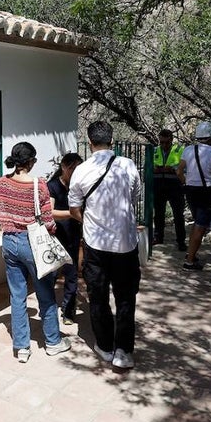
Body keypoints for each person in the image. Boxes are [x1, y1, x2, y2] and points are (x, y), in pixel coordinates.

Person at [0, 142, 70, 363]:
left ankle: (21, 348)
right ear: (30, 162)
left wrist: (5, 219)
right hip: (33, 244)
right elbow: (49, 223)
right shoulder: (38, 185)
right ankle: (52, 342)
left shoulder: (1, 183)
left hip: (9, 242)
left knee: (17, 296)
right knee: (46, 294)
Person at [68, 121, 143, 370]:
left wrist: (92, 221)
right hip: (125, 244)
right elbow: (134, 199)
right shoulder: (128, 165)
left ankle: (104, 345)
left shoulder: (81, 170)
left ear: (90, 143)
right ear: (113, 141)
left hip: (95, 245)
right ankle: (124, 351)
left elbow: (74, 209)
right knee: (125, 298)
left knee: (97, 296)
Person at [177, 121, 211, 270]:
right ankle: (189, 261)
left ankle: (191, 253)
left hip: (190, 190)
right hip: (206, 192)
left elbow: (179, 171)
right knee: (200, 226)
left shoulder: (187, 150)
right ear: (210, 137)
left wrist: (186, 182)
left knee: (197, 223)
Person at [47, 152, 84, 325]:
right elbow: (50, 212)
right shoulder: (53, 186)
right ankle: (48, 307)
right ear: (63, 167)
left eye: (78, 169)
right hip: (56, 236)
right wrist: (72, 214)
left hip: (74, 236)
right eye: (72, 168)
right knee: (52, 274)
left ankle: (68, 311)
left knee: (71, 274)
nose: (75, 172)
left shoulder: (80, 185)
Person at [151, 128, 187, 252]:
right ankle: (158, 237)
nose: (164, 145)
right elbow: (151, 166)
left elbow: (182, 167)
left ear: (171, 140)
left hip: (174, 185)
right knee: (159, 213)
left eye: (166, 142)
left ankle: (181, 241)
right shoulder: (155, 150)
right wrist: (164, 169)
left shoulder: (179, 150)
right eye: (162, 142)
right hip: (158, 183)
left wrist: (170, 168)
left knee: (178, 214)